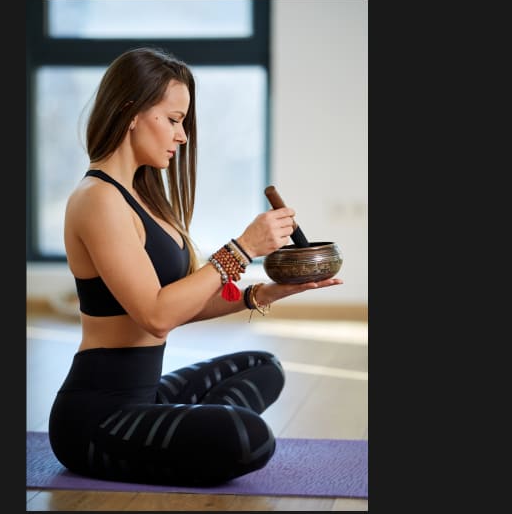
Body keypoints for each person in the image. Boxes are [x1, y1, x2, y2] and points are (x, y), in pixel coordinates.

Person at [48, 46, 342, 486]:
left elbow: (183, 302)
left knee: (263, 366)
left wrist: (262, 293)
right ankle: (184, 430)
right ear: (130, 111)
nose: (181, 136)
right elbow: (157, 315)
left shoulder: (144, 199)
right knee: (246, 437)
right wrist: (242, 247)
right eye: (172, 119)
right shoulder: (97, 199)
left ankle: (174, 427)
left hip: (147, 395)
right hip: (95, 417)